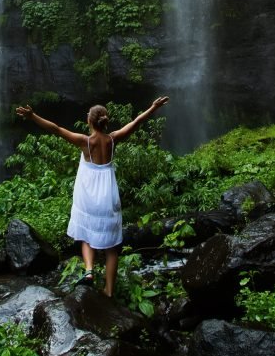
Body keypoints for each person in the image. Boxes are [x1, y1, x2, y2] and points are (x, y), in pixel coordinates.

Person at [15, 96, 169, 297]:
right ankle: (109, 291)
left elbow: (56, 129)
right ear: (105, 120)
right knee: (112, 247)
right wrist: (152, 107)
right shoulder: (113, 139)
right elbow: (137, 122)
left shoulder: (85, 142)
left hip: (88, 195)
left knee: (86, 233)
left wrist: (33, 115)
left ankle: (89, 270)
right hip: (108, 195)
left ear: (89, 120)